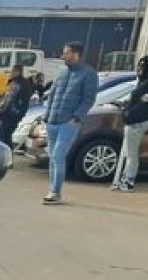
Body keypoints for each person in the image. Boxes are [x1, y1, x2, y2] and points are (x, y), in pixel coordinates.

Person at [42, 42, 98, 205]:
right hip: (52, 121)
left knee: (58, 156)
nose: (63, 56)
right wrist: (47, 115)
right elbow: (52, 95)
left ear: (76, 54)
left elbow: (88, 99)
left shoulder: (89, 74)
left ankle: (55, 192)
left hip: (68, 123)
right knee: (53, 157)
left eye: (66, 53)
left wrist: (76, 118)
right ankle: (52, 189)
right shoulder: (62, 73)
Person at [111, 53, 148, 192]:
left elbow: (143, 104)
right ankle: (123, 179)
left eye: (142, 65)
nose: (139, 68)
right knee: (128, 152)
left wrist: (127, 114)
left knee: (131, 153)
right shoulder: (147, 81)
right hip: (137, 121)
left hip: (137, 122)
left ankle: (128, 180)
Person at [0, 64, 33, 148]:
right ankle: (8, 152)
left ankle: (5, 154)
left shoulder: (18, 84)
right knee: (6, 137)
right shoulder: (19, 83)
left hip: (11, 114)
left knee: (4, 137)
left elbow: (10, 99)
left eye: (12, 71)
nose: (11, 73)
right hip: (13, 114)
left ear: (18, 72)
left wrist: (1, 111)